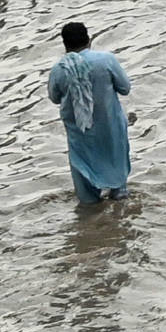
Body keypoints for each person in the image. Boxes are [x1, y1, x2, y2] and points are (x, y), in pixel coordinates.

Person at [45, 21, 133, 204]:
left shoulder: (59, 69)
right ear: (89, 40)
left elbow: (54, 97)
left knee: (86, 196)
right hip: (110, 128)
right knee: (118, 183)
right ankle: (118, 207)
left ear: (65, 45)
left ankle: (91, 217)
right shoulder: (106, 60)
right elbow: (125, 88)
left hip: (80, 132)